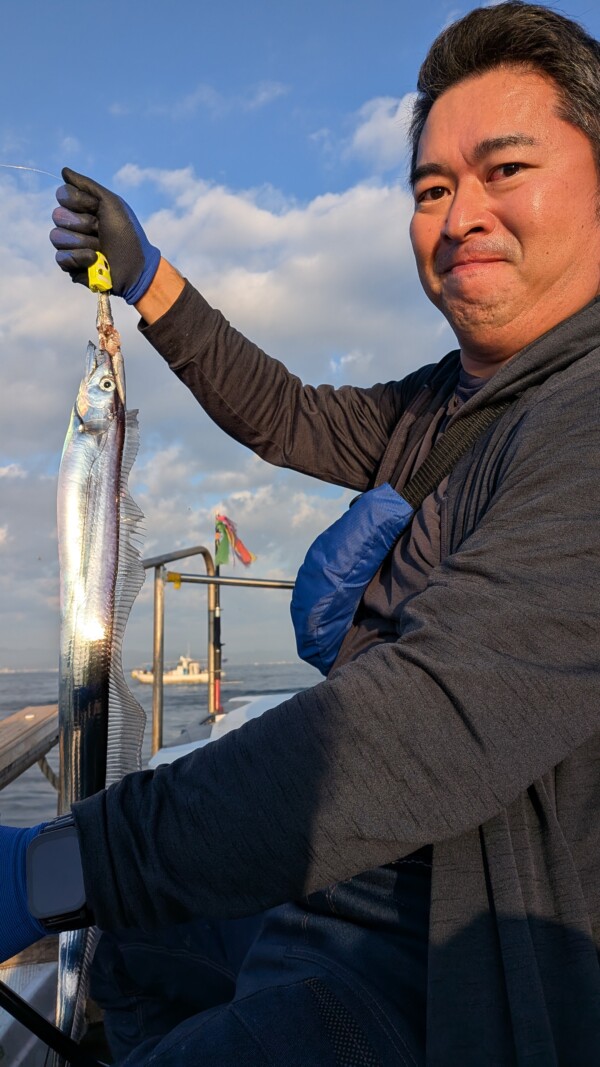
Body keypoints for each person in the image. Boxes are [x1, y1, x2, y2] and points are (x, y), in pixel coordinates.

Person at [2, 1, 600, 1063]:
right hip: (337, 878)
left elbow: (424, 727)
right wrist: (146, 277)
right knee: (133, 946)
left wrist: (66, 862)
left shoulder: (583, 418)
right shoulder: (436, 408)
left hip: (448, 959)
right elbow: (281, 411)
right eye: (432, 188)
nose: (461, 214)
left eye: (505, 169)